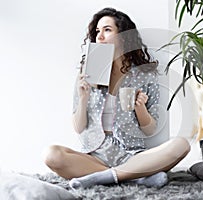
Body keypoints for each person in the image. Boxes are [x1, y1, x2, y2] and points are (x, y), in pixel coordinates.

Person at [44, 7, 190, 189]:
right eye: (97, 31)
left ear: (123, 37)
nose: (100, 36)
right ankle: (135, 177)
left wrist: (140, 108)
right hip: (93, 155)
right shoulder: (87, 73)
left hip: (132, 155)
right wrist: (83, 98)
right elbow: (78, 127)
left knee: (181, 144)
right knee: (51, 155)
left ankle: (102, 177)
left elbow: (150, 129)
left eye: (107, 30)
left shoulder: (144, 75)